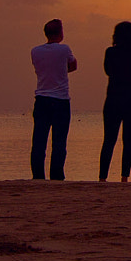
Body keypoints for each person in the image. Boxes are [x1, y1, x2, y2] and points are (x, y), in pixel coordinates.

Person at [100, 20, 131, 183]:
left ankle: (102, 177)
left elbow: (107, 71)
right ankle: (124, 177)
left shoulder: (110, 52)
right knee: (129, 140)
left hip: (113, 98)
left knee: (109, 139)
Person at [30, 18, 77, 180]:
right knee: (59, 141)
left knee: (39, 141)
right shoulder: (64, 49)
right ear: (60, 33)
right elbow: (73, 65)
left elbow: (40, 69)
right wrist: (61, 71)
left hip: (42, 98)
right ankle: (56, 175)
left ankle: (38, 176)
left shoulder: (35, 51)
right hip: (60, 100)